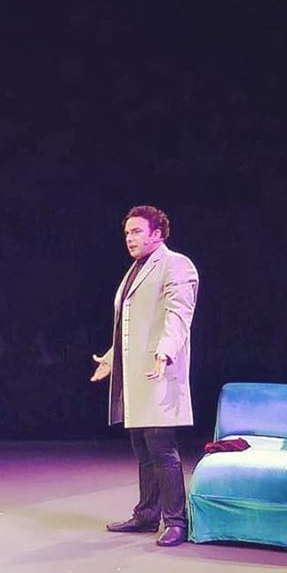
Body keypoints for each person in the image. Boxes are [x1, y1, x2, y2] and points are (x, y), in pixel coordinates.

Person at [90, 205, 198, 547]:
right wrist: (111, 358)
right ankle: (147, 513)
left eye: (137, 231)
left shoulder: (176, 264)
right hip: (137, 375)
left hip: (158, 370)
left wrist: (165, 352)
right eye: (127, 233)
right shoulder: (135, 270)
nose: (129, 238)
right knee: (143, 447)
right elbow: (130, 326)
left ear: (157, 233)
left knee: (161, 446)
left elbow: (178, 315)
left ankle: (176, 521)